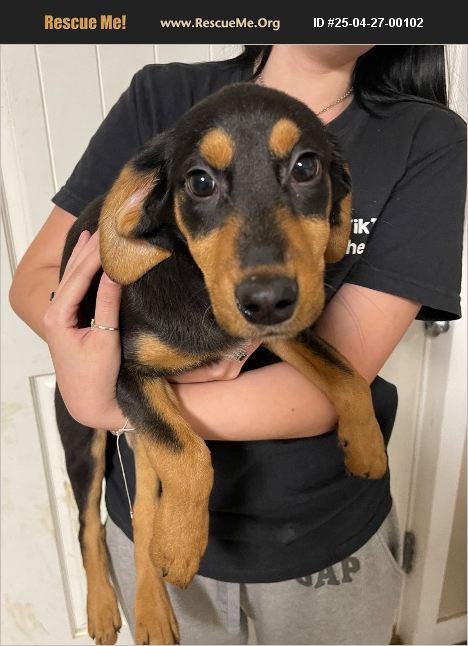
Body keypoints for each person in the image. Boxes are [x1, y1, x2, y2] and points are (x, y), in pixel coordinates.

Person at [9, 45, 466, 645]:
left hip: (323, 531)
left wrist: (106, 404)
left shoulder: (427, 136)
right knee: (102, 472)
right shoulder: (160, 97)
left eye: (304, 170)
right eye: (202, 182)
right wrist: (89, 359)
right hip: (153, 515)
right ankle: (95, 552)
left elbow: (331, 366)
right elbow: (35, 280)